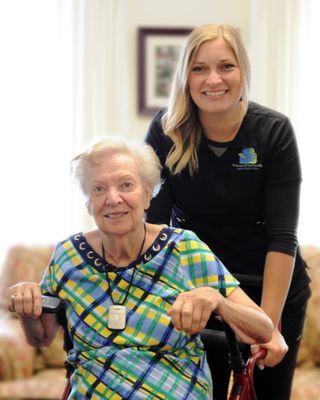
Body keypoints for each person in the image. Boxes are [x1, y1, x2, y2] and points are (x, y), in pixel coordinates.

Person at [6, 137, 273, 400]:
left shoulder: (184, 248)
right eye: (98, 189)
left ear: (147, 195)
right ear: (88, 204)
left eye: (126, 185)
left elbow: (263, 329)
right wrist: (28, 305)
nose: (113, 198)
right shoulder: (68, 256)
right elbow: (41, 338)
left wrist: (217, 301)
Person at [145, 23, 311, 400]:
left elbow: (282, 236)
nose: (213, 79)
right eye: (199, 68)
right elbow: (154, 228)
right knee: (204, 391)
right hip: (198, 287)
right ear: (185, 76)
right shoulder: (165, 130)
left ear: (243, 72)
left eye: (226, 66)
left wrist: (266, 326)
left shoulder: (273, 132)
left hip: (267, 285)